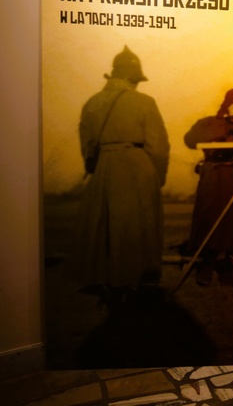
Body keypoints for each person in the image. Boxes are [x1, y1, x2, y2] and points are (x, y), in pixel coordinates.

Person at [70, 46, 170, 302]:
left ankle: (107, 280)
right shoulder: (144, 102)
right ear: (130, 77)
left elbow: (87, 146)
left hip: (104, 167)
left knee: (105, 226)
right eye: (136, 80)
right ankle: (139, 280)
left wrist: (96, 169)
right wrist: (157, 177)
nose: (136, 85)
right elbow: (159, 146)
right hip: (137, 167)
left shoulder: (92, 103)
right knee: (138, 227)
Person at [184, 86, 233, 286]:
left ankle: (231, 269)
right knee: (209, 219)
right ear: (227, 105)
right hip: (214, 176)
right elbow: (190, 140)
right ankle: (206, 265)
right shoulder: (209, 122)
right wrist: (223, 129)